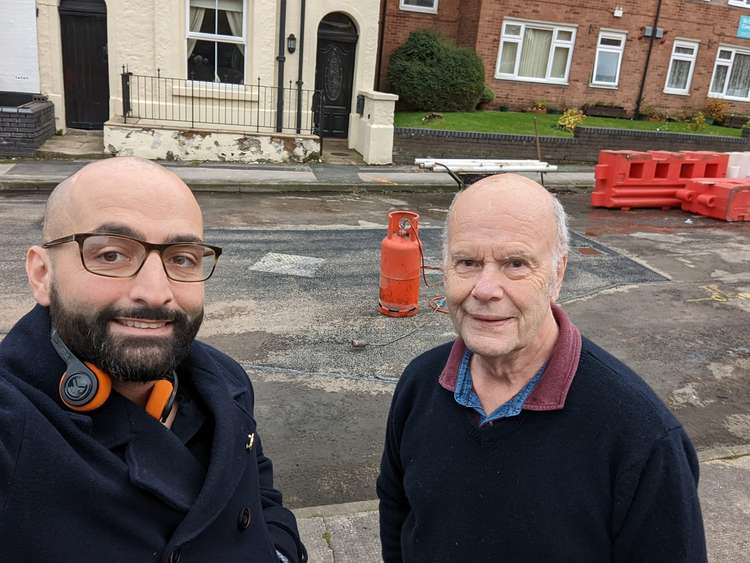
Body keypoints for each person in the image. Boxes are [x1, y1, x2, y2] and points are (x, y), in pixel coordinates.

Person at [376, 174, 707, 563]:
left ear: (557, 274)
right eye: (467, 262)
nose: (485, 289)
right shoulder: (420, 383)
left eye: (515, 264)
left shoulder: (641, 436)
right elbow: (397, 513)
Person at [0, 157, 306, 563]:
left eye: (181, 259)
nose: (156, 292)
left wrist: (281, 551)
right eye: (111, 255)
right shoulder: (12, 421)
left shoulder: (227, 380)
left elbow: (259, 491)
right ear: (42, 274)